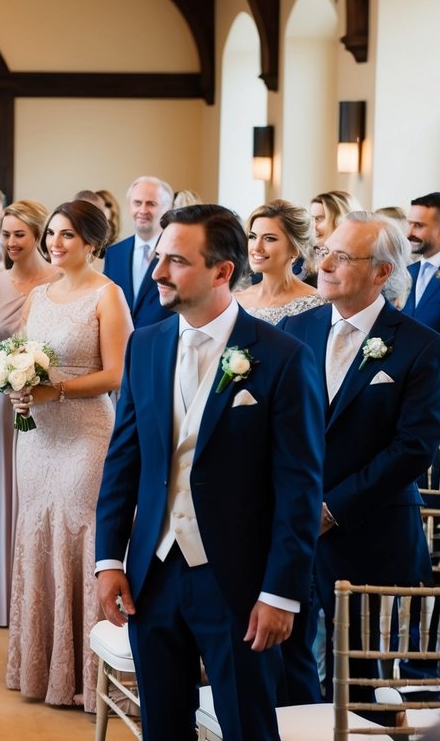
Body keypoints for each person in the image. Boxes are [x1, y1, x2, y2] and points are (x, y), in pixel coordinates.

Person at [96, 203, 325, 740]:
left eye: (176, 261)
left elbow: (299, 487)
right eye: (159, 257)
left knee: (248, 726)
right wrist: (109, 558)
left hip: (240, 582)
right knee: (162, 727)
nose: (157, 272)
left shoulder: (284, 357)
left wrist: (280, 592)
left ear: (222, 271)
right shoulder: (145, 345)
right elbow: (123, 459)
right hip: (152, 574)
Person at [281, 212, 440, 702]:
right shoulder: (295, 329)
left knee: (361, 682)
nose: (324, 265)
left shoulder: (422, 346)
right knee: (287, 666)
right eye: (324, 252)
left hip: (371, 528)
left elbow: (414, 447)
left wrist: (333, 509)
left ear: (381, 272)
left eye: (342, 257)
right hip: (291, 526)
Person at [4, 201, 131, 706]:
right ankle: (43, 668)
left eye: (67, 236)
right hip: (36, 437)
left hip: (85, 434)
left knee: (81, 533)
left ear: (92, 243)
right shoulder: (38, 295)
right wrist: (16, 385)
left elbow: (116, 374)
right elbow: (18, 355)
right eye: (52, 234)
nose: (54, 244)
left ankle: (90, 674)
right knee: (38, 533)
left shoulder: (108, 295)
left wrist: (54, 391)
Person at [0, 199, 57, 627]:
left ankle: (41, 596)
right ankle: (2, 597)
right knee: (1, 490)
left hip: (46, 401)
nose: (11, 242)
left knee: (39, 492)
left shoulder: (59, 281)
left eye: (19, 234)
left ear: (38, 235)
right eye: (6, 234)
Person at [403, 192, 440, 430]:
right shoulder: (410, 272)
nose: (409, 232)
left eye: (419, 225)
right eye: (409, 223)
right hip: (406, 402)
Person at [234, 200, 325, 325]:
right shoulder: (235, 301)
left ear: (295, 249)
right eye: (253, 237)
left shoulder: (318, 304)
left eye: (269, 238)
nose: (256, 247)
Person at [102, 176, 176, 328]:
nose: (143, 210)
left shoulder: (177, 254)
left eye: (151, 204)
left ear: (166, 208)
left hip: (162, 338)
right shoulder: (114, 253)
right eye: (137, 203)